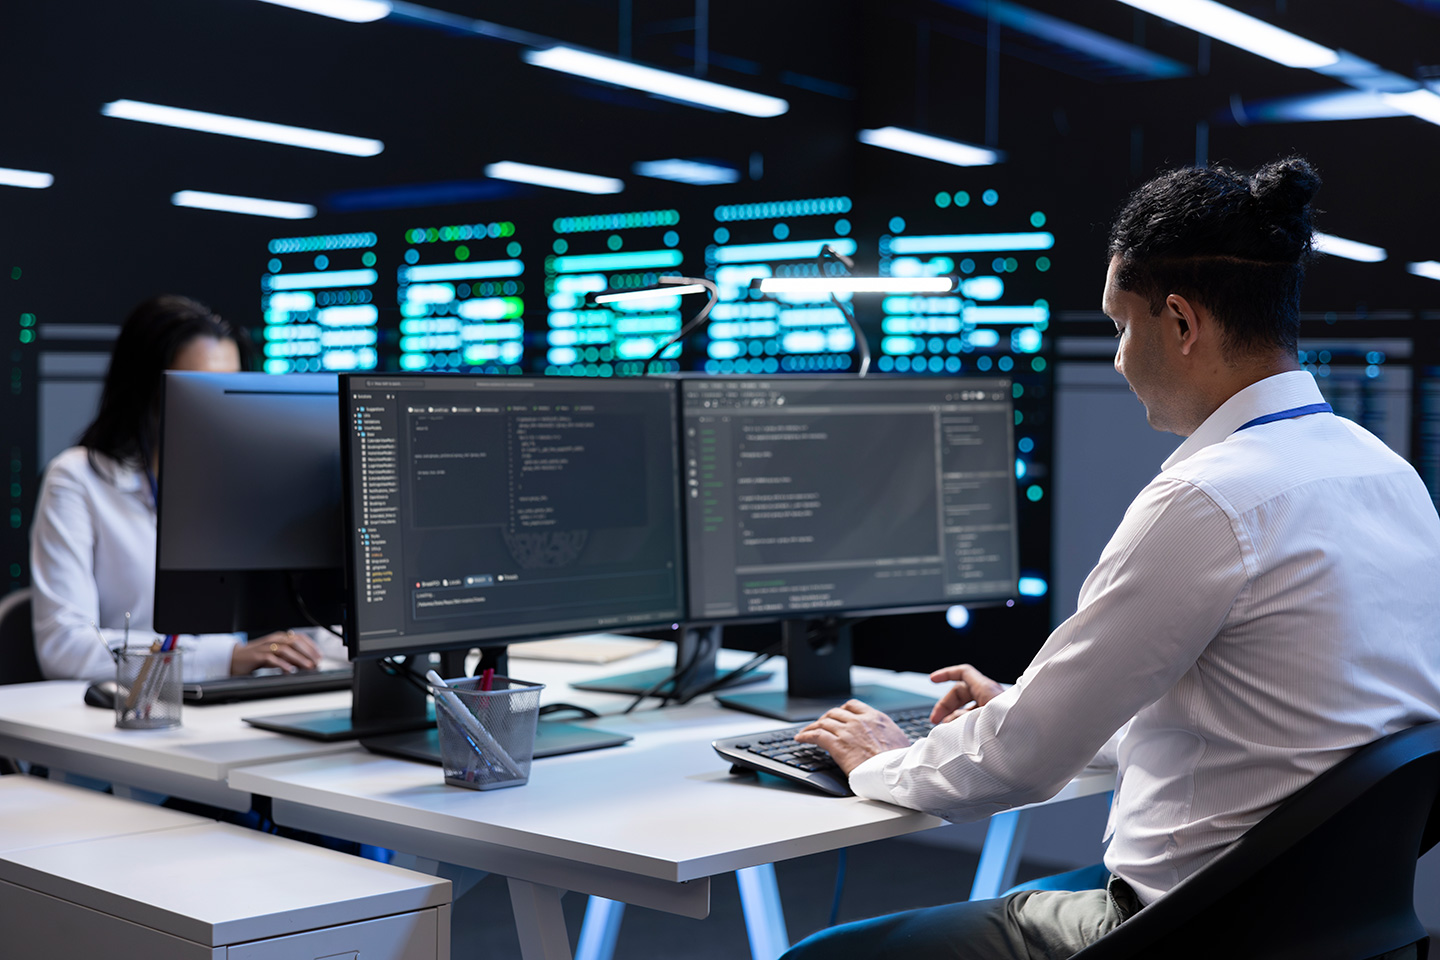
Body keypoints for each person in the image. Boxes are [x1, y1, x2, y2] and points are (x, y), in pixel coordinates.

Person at [784, 158, 1440, 959]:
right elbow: (1272, 727)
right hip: (1333, 927)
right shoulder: (1386, 472)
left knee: (821, 956)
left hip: (1182, 926)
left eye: (1121, 327)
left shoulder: (1208, 500)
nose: (1120, 358)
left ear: (1180, 322)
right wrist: (1040, 702)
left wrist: (887, 760)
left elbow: (1021, 764)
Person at [30, 295, 330, 681]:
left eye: (230, 390)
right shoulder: (77, 479)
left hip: (230, 706)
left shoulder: (241, 484)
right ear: (146, 391)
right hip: (135, 709)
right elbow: (65, 648)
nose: (219, 409)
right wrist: (226, 658)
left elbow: (307, 619)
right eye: (199, 390)